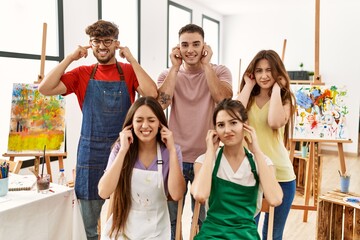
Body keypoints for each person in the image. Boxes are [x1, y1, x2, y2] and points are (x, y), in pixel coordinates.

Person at [38, 20, 158, 240]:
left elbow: (152, 93)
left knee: (126, 215)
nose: (102, 46)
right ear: (90, 44)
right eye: (96, 42)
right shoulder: (82, 73)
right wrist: (70, 58)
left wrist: (132, 58)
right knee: (88, 224)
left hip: (123, 149)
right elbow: (45, 88)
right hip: (90, 152)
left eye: (107, 41)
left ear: (116, 43)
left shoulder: (129, 71)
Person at [157, 23, 233, 238]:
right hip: (175, 157)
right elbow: (161, 103)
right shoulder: (168, 74)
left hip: (206, 157)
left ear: (204, 46)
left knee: (203, 219)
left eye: (196, 44)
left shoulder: (219, 71)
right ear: (177, 48)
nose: (190, 50)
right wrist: (174, 68)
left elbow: (223, 99)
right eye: (185, 45)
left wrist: (206, 66)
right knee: (171, 219)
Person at [191, 98, 283, 239]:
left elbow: (275, 199)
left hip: (246, 235)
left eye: (233, 123)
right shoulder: (205, 160)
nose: (227, 130)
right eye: (221, 125)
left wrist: (257, 151)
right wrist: (210, 151)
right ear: (215, 131)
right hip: (212, 234)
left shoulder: (261, 162)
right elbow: (200, 195)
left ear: (245, 125)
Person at [98, 96, 186, 239]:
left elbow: (176, 194)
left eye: (151, 120)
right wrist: (122, 151)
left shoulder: (171, 151)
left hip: (156, 232)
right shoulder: (121, 148)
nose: (145, 126)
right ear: (131, 124)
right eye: (139, 120)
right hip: (122, 230)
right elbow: (103, 191)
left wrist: (171, 151)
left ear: (160, 124)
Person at [237, 49, 297, 240]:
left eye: (269, 70)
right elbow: (234, 116)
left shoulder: (285, 100)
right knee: (248, 231)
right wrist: (248, 85)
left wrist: (278, 90)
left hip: (280, 176)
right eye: (259, 70)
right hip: (250, 174)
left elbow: (273, 122)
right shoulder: (248, 98)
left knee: (272, 235)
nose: (264, 75)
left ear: (278, 73)